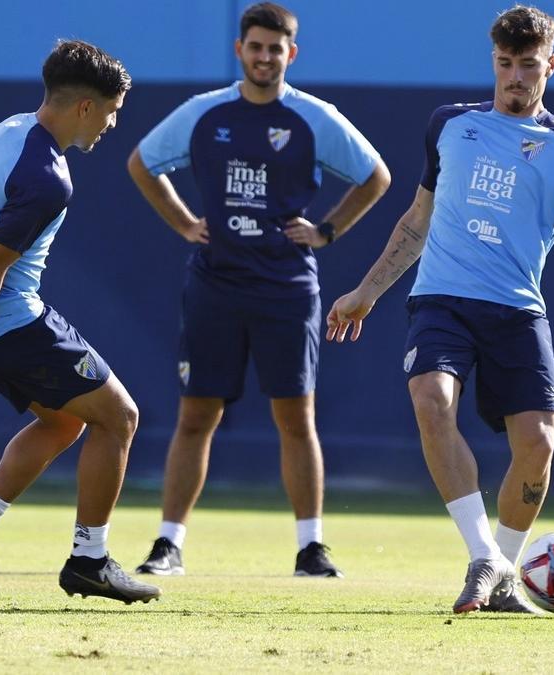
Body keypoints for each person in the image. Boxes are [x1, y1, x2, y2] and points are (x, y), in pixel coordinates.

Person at [325, 5, 554, 613]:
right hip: (441, 300)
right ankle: (483, 557)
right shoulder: (448, 124)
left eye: (528, 66)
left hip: (516, 310)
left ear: (549, 66)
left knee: (539, 445)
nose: (514, 78)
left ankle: (505, 565)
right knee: (431, 399)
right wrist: (367, 290)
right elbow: (416, 221)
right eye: (504, 64)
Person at [127, 2, 390, 578]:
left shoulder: (313, 118)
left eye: (276, 48)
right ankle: (168, 544)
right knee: (196, 416)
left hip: (286, 286)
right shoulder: (205, 114)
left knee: (296, 417)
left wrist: (326, 231)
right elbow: (143, 163)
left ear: (290, 54)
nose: (265, 56)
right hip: (215, 282)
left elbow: (377, 175)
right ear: (240, 50)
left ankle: (310, 548)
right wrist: (182, 222)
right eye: (256, 46)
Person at [0, 39, 160, 606]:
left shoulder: (6, 130)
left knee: (64, 423)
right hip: (1, 321)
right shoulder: (47, 177)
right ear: (84, 107)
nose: (110, 125)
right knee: (120, 418)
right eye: (110, 112)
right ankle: (90, 561)